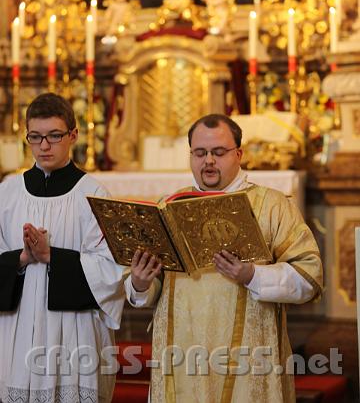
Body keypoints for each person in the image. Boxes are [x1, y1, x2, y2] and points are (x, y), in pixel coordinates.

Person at [125, 113, 323, 403]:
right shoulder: (169, 207)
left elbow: (309, 276)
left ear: (239, 154)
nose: (208, 161)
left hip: (248, 360)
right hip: (183, 357)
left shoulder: (271, 206)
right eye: (200, 153)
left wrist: (252, 275)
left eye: (218, 152)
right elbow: (156, 286)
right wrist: (140, 283)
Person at [0, 93, 126, 403]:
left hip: (75, 330)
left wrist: (51, 256)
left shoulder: (94, 193)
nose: (44, 146)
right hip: (16, 328)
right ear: (26, 136)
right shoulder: (8, 191)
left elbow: (111, 268)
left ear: (73, 135)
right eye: (35, 137)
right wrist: (22, 258)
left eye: (54, 136)